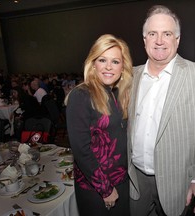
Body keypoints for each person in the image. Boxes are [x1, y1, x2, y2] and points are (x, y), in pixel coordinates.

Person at [127, 5, 195, 216]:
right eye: (152, 34)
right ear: (144, 39)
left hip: (179, 184)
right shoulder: (129, 77)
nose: (159, 41)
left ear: (177, 39)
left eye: (167, 34)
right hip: (133, 181)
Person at [65, 34, 133, 216]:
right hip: (96, 188)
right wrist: (105, 189)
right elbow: (81, 150)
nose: (109, 67)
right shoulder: (81, 95)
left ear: (123, 66)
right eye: (102, 60)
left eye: (115, 61)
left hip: (121, 180)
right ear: (93, 63)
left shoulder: (119, 94)